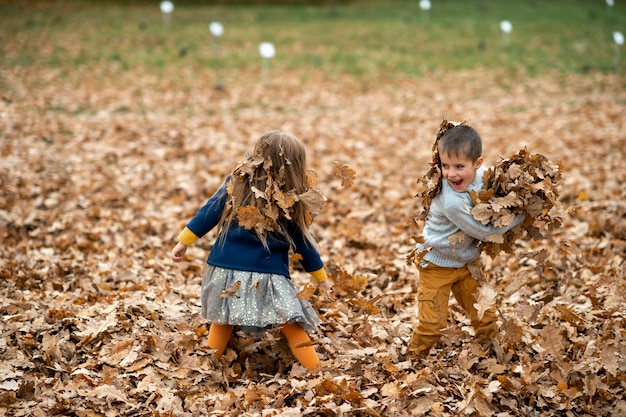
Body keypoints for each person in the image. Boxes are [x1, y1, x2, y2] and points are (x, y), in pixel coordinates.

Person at [172, 130, 331, 371]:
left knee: (223, 319)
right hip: (268, 275)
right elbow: (304, 243)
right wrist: (321, 278)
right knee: (290, 321)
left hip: (224, 269)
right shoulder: (290, 199)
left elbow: (209, 212)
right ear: (295, 168)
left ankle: (208, 366)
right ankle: (316, 370)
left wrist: (184, 241)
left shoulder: (236, 181)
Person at [408, 123, 524, 356]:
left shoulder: (484, 175)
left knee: (485, 313)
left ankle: (492, 353)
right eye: (445, 166)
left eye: (459, 166)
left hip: (467, 262)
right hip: (436, 264)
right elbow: (483, 232)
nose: (451, 173)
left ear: (477, 164)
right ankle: (413, 361)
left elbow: (498, 183)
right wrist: (519, 215)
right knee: (431, 325)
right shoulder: (451, 201)